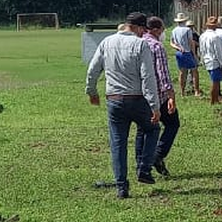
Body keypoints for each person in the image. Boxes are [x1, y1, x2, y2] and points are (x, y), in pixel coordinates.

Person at [85, 13, 160, 198]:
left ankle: (121, 187)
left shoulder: (106, 42)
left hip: (114, 100)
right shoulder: (140, 44)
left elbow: (93, 69)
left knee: (118, 143)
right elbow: (147, 76)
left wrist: (91, 91)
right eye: (144, 30)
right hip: (136, 98)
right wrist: (154, 105)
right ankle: (144, 168)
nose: (144, 34)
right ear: (138, 27)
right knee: (152, 129)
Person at [135, 16, 180, 179]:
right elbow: (162, 73)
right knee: (172, 123)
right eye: (161, 30)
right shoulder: (156, 46)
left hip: (139, 94)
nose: (162, 33)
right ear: (154, 30)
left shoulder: (137, 43)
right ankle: (157, 155)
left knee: (142, 129)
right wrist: (171, 95)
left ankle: (140, 164)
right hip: (158, 95)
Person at [170, 14, 200, 97]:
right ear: (184, 21)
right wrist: (194, 54)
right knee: (194, 71)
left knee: (182, 72)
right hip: (187, 51)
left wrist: (178, 47)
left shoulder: (174, 30)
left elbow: (171, 43)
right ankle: (196, 91)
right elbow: (191, 42)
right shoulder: (187, 30)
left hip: (179, 53)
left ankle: (182, 92)